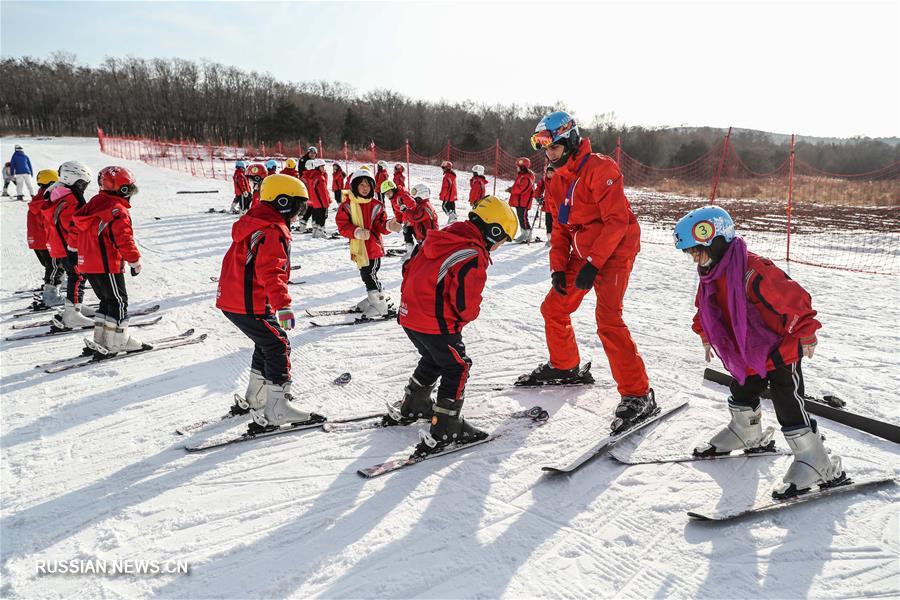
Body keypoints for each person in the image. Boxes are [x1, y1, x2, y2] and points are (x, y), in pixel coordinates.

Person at [673, 205, 843, 498]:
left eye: (697, 252)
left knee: (787, 401)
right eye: (690, 254)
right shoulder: (711, 274)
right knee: (741, 388)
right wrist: (704, 333)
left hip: (779, 349)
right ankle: (746, 432)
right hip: (746, 352)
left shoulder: (753, 270)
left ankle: (817, 461)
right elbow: (707, 308)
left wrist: (807, 330)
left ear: (716, 241)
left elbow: (794, 298)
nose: (694, 260)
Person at [526, 110, 653, 432]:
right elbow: (560, 230)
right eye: (545, 148)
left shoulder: (601, 168)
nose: (548, 154)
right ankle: (566, 366)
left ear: (569, 139)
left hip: (615, 251)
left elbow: (617, 221)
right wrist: (558, 267)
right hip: (585, 253)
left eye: (552, 147)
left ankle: (639, 394)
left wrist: (594, 264)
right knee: (554, 307)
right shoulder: (556, 179)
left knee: (608, 320)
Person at [384, 196, 518, 457]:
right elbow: (464, 302)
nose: (499, 246)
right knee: (458, 366)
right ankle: (447, 426)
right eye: (502, 240)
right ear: (493, 231)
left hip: (411, 316)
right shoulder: (471, 253)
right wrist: (463, 319)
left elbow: (409, 267)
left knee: (434, 358)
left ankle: (415, 404)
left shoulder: (443, 237)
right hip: (435, 322)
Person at [216, 173, 320, 429]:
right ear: (283, 202)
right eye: (298, 205)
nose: (299, 213)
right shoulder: (271, 230)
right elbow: (271, 272)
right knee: (278, 345)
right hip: (249, 301)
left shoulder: (254, 222)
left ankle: (257, 396)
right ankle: (277, 408)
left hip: (237, 299)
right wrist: (282, 306)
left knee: (265, 343)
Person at [73, 166, 149, 355]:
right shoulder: (117, 209)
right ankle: (119, 341)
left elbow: (77, 229)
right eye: (128, 189)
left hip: (88, 263)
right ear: (121, 189)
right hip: (106, 264)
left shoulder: (95, 202)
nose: (130, 194)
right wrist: (134, 260)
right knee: (119, 301)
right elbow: (123, 238)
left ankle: (102, 338)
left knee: (106, 301)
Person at [335, 169, 394, 319]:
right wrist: (356, 232)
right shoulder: (347, 205)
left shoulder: (377, 205)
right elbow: (342, 225)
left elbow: (380, 225)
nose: (365, 187)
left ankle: (380, 306)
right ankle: (373, 298)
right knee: (366, 274)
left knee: (370, 275)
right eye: (361, 184)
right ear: (354, 186)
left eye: (368, 184)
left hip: (373, 248)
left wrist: (389, 225)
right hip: (359, 249)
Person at [43, 161, 95, 330]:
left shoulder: (58, 193)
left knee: (78, 276)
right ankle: (72, 314)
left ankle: (76, 306)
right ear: (74, 181)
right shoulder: (70, 201)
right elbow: (73, 226)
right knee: (77, 276)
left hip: (60, 245)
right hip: (69, 247)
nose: (84, 188)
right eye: (83, 184)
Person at [27, 169, 64, 307]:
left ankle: (54, 285)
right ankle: (51, 295)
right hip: (47, 240)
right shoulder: (48, 199)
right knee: (56, 267)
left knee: (50, 266)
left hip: (35, 241)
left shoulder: (37, 198)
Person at [381, 179, 417, 258]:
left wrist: (406, 210)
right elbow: (398, 212)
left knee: (415, 234)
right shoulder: (393, 199)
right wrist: (398, 222)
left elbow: (413, 204)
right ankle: (410, 251)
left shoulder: (402, 195)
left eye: (389, 192)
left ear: (393, 189)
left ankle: (418, 249)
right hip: (407, 220)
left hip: (413, 219)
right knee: (407, 233)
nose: (388, 195)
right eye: (386, 194)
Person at [401, 183, 438, 252]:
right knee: (407, 228)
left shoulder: (425, 206)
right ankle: (410, 249)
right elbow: (413, 215)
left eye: (415, 195)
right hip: (423, 237)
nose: (414, 199)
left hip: (429, 238)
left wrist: (405, 210)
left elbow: (416, 217)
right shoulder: (420, 205)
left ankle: (413, 252)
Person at [506, 157, 536, 243]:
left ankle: (527, 234)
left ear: (523, 167)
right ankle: (524, 233)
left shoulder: (527, 177)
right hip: (519, 201)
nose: (517, 168)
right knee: (520, 217)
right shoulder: (521, 176)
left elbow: (522, 188)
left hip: (523, 202)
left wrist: (512, 190)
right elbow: (518, 187)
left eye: (518, 166)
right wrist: (511, 188)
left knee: (523, 218)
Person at [302, 159, 330, 238]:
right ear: (317, 167)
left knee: (318, 217)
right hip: (321, 201)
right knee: (322, 217)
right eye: (322, 166)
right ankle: (320, 233)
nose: (324, 168)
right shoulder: (319, 177)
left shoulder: (313, 176)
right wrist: (326, 203)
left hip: (316, 201)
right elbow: (322, 192)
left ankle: (315, 232)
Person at [534, 165, 556, 247]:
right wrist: (537, 196)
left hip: (556, 206)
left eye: (551, 173)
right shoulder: (544, 180)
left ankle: (556, 239)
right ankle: (549, 239)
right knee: (548, 223)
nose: (550, 175)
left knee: (556, 224)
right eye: (548, 173)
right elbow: (539, 187)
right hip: (547, 206)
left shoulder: (558, 180)